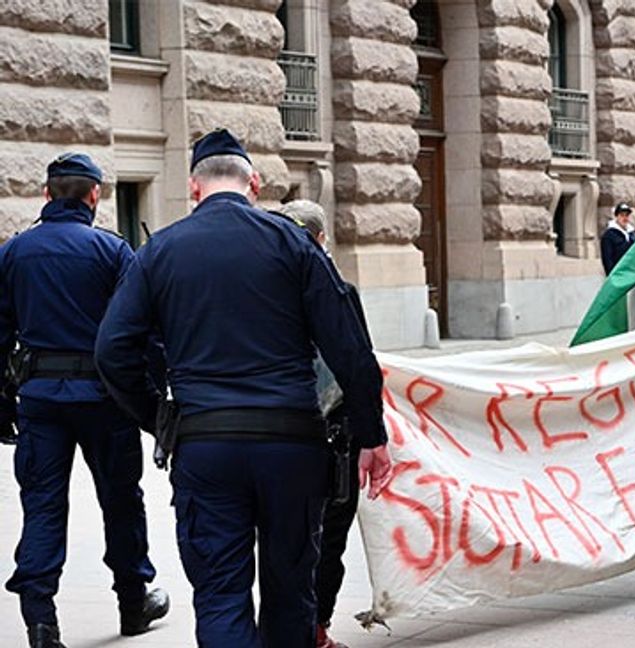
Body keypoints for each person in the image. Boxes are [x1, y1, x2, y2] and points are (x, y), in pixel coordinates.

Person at [94, 130, 393, 648]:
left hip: (206, 445)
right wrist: (372, 434)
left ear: (194, 187)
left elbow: (112, 350)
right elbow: (350, 349)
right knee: (291, 592)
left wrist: (160, 417)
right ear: (253, 182)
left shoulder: (159, 251)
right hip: (291, 443)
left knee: (220, 593)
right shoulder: (295, 245)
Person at [0, 153, 168, 648]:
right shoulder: (112, 251)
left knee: (42, 506)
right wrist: (152, 402)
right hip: (104, 399)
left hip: (40, 398)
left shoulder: (14, 253)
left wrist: (2, 405)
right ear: (95, 195)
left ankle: (40, 620)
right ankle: (133, 604)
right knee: (121, 500)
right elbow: (143, 333)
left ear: (46, 194)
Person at [276, 199, 365, 648]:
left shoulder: (261, 291)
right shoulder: (337, 289)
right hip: (329, 434)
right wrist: (372, 434)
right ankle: (314, 629)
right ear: (322, 238)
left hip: (274, 430)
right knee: (328, 536)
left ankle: (289, 628)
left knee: (282, 538)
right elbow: (358, 362)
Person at [600, 202, 635, 274]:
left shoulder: (632, 234)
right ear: (616, 216)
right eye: (622, 215)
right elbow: (607, 259)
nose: (624, 218)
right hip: (618, 274)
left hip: (631, 273)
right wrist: (612, 276)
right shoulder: (609, 236)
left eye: (627, 215)